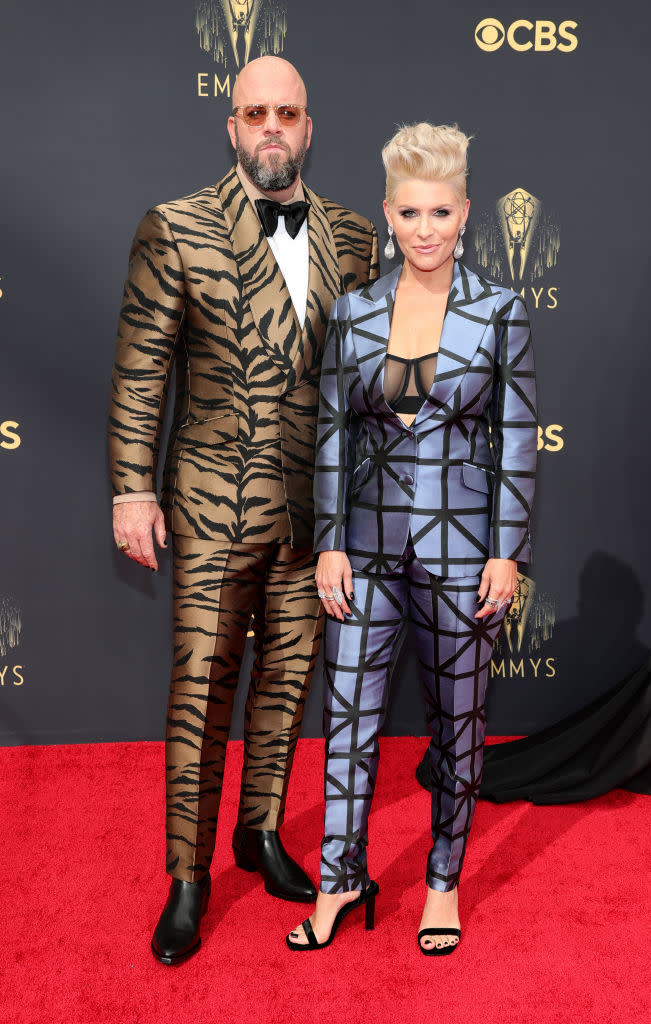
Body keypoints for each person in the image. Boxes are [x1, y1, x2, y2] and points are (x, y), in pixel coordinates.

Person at [109, 56, 378, 965]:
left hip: (318, 511)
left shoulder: (350, 235)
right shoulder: (176, 228)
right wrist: (131, 487)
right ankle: (188, 879)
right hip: (213, 503)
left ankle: (258, 833)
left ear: (309, 129)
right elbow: (144, 369)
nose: (272, 127)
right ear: (230, 127)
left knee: (287, 683)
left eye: (288, 113)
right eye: (254, 112)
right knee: (200, 697)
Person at [287, 122, 537, 956]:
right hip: (361, 550)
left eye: (439, 212)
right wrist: (328, 541)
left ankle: (441, 881)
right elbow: (331, 436)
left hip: (465, 554)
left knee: (458, 724)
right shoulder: (350, 312)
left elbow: (519, 437)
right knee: (349, 718)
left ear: (465, 212)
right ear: (386, 215)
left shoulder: (500, 310)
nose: (424, 230)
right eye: (407, 213)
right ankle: (339, 877)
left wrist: (505, 550)